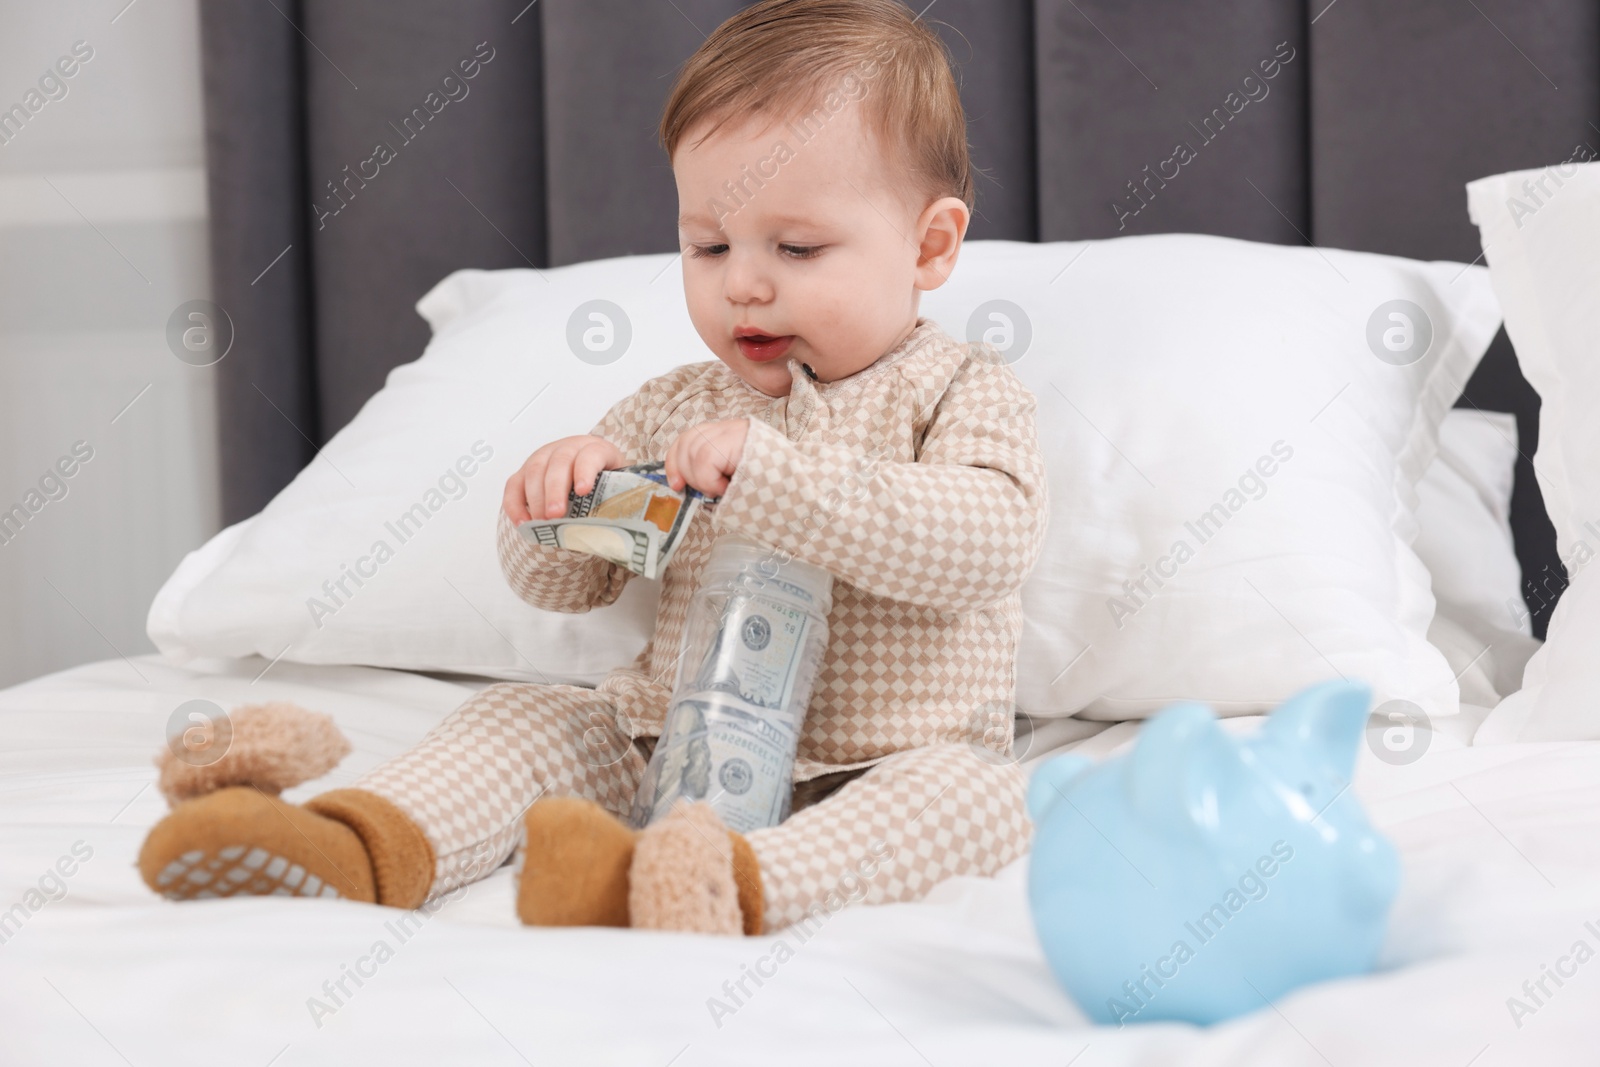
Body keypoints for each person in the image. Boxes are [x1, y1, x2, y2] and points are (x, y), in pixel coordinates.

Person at [138, 0, 1049, 936]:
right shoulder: (675, 404)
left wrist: (781, 483)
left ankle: (713, 883)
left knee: (981, 803)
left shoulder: (959, 390)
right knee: (527, 719)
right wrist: (553, 508)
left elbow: (986, 539)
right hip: (670, 741)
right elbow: (569, 586)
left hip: (887, 756)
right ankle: (356, 846)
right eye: (709, 245)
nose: (742, 281)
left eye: (799, 247)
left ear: (930, 245)